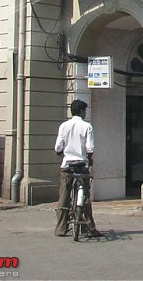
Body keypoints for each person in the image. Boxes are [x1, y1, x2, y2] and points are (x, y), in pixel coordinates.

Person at [54, 99, 101, 238]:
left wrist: (61, 153)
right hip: (82, 165)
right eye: (85, 110)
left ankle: (61, 228)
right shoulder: (87, 126)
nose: (85, 113)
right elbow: (90, 148)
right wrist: (90, 159)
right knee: (85, 195)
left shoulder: (64, 126)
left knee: (64, 195)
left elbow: (58, 147)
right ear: (81, 111)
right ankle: (89, 228)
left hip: (67, 165)